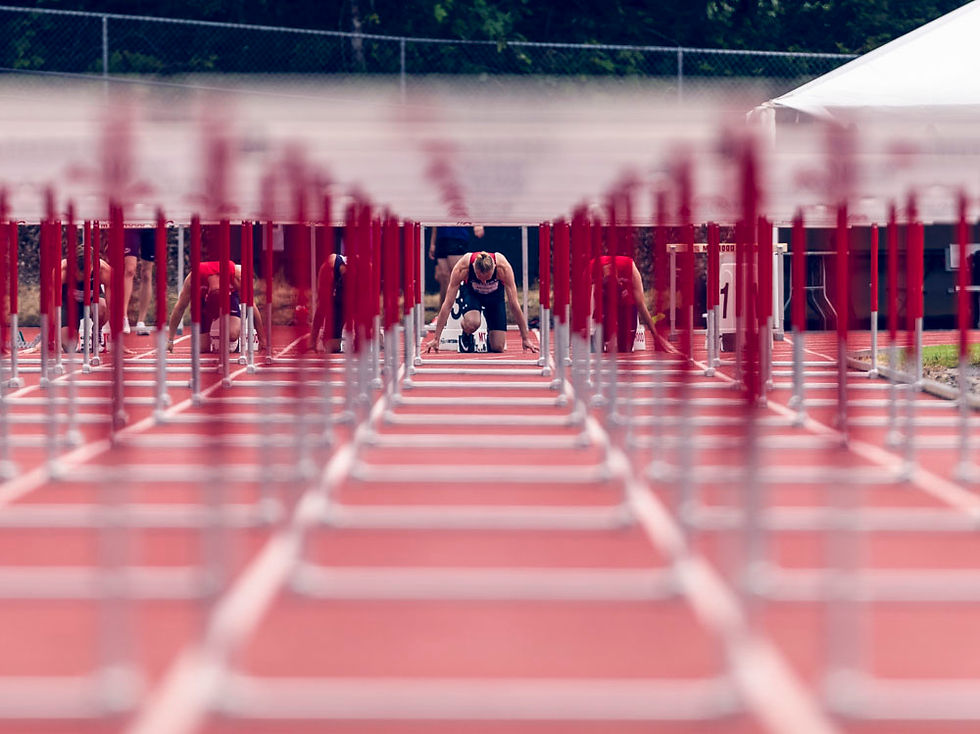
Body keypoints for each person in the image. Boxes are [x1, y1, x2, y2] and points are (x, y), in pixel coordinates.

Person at [425, 250, 537, 353]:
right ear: (473, 267)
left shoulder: (503, 268)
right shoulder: (463, 267)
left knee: (498, 347)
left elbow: (514, 304)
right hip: (473, 295)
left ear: (494, 267)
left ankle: (491, 335)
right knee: (472, 323)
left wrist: (525, 338)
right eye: (480, 278)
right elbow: (448, 304)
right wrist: (436, 338)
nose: (484, 282)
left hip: (495, 297)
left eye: (487, 279)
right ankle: (466, 334)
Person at [165, 259, 266, 353]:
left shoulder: (236, 276)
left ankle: (237, 314)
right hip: (203, 301)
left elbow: (252, 305)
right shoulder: (193, 279)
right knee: (202, 348)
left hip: (229, 298)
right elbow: (179, 308)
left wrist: (262, 339)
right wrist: (170, 340)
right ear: (208, 292)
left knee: (232, 335)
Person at [589, 254, 660, 353]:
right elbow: (581, 303)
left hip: (626, 304)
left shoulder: (630, 268)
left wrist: (657, 337)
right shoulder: (592, 268)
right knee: (597, 348)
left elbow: (641, 305)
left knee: (624, 349)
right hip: (604, 303)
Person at [59, 253, 112, 352]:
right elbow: (52, 305)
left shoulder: (104, 270)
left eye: (85, 274)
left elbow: (111, 305)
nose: (81, 277)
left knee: (103, 307)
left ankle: (97, 331)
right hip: (70, 305)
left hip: (93, 302)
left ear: (92, 266)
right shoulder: (62, 270)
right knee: (68, 347)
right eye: (78, 273)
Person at [428, 225, 484, 311]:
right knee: (443, 278)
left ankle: (465, 312)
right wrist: (433, 243)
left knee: (459, 277)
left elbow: (474, 211)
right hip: (441, 238)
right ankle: (443, 314)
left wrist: (477, 224)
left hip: (457, 237)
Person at [309, 253, 347, 352]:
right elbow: (321, 307)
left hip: (344, 293)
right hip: (335, 266)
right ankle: (312, 343)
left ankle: (329, 334)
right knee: (323, 304)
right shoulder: (331, 266)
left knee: (333, 347)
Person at [123, 228, 156, 335]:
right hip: (131, 225)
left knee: (147, 273)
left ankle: (141, 321)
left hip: (151, 224)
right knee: (130, 269)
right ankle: (124, 318)